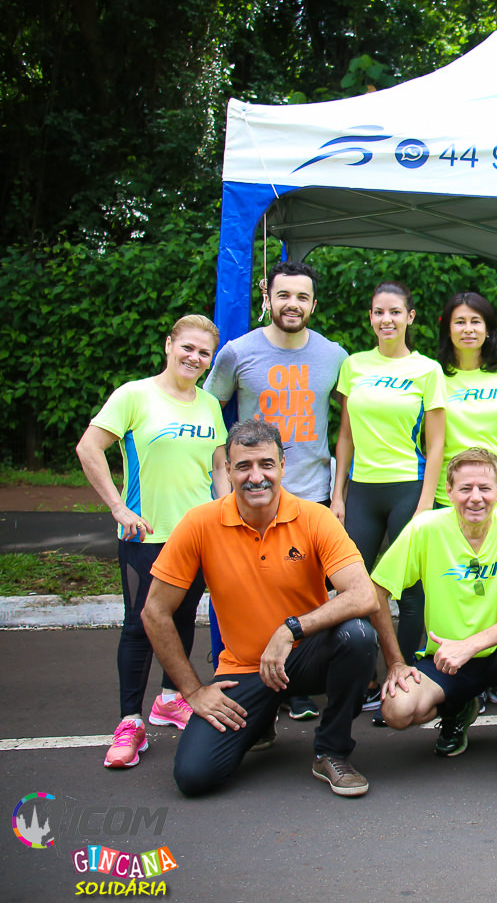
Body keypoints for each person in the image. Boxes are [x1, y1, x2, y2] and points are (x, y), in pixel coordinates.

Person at [141, 419, 378, 797]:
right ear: (227, 470)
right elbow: (154, 611)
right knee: (194, 777)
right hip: (245, 669)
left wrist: (290, 629)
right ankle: (260, 717)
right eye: (243, 466)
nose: (256, 477)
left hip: (306, 656)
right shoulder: (200, 523)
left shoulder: (314, 517)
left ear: (282, 465)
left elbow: (363, 595)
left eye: (266, 464)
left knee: (358, 636)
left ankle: (331, 751)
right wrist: (193, 691)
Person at [76, 314, 228, 769]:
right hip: (145, 536)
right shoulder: (134, 395)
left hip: (196, 536)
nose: (194, 358)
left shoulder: (209, 405)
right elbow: (88, 448)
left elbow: (218, 468)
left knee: (181, 618)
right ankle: (130, 722)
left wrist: (225, 517)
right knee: (140, 626)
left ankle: (168, 700)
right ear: (169, 345)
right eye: (188, 348)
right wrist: (118, 508)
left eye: (204, 353)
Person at [204, 261, 347, 722]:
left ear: (313, 304)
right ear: (267, 298)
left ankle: (297, 684)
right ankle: (253, 682)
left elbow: (352, 421)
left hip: (312, 495)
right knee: (255, 594)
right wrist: (221, 483)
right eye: (284, 295)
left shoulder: (334, 356)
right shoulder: (237, 352)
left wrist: (339, 493)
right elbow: (208, 415)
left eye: (302, 297)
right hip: (253, 496)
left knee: (307, 596)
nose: (292, 304)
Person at [368, 448, 497, 782]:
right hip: (444, 658)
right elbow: (376, 593)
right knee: (397, 711)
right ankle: (459, 708)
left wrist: (469, 645)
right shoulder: (426, 527)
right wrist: (395, 662)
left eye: (485, 488)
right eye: (465, 488)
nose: (475, 498)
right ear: (449, 491)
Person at [332, 281, 446, 678]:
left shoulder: (427, 370)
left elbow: (436, 444)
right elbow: (345, 436)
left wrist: (426, 503)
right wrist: (338, 495)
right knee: (353, 588)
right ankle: (362, 677)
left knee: (410, 592)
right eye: (379, 312)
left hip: (407, 488)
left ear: (409, 317)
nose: (387, 319)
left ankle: (406, 673)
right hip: (362, 491)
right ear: (370, 317)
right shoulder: (354, 365)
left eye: (395, 312)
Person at [435, 292, 497, 513]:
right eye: (460, 322)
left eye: (476, 322)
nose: (468, 329)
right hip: (449, 496)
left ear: (488, 329)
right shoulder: (434, 375)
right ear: (448, 330)